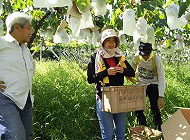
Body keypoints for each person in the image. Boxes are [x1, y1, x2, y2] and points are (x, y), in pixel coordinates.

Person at [87, 29, 135, 140]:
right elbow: (90, 79)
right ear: (103, 42)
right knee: (107, 135)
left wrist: (123, 70)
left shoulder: (119, 56)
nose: (111, 43)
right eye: (108, 40)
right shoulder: (95, 57)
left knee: (120, 134)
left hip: (119, 97)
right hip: (103, 98)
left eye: (113, 41)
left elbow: (132, 73)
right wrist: (105, 73)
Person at [0, 12, 35, 140]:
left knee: (27, 135)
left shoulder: (25, 49)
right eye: (28, 27)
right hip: (6, 97)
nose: (31, 31)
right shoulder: (2, 43)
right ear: (17, 28)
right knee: (15, 134)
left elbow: (31, 68)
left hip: (26, 98)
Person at [131, 42, 166, 131]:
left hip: (152, 84)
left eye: (147, 55)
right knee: (138, 109)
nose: (145, 57)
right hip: (140, 85)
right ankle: (142, 129)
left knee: (155, 108)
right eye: (143, 55)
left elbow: (161, 77)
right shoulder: (136, 57)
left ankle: (159, 130)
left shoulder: (156, 59)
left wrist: (160, 96)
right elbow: (131, 70)